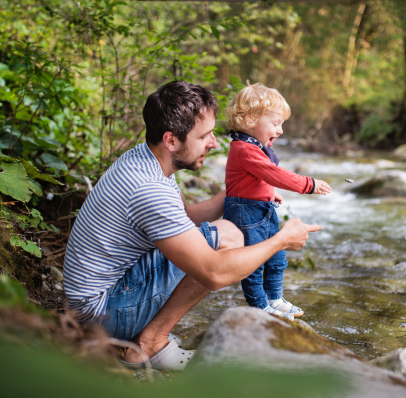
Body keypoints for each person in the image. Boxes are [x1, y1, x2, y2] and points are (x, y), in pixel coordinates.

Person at [63, 80, 321, 371]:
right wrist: (281, 240)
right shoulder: (149, 189)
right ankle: (150, 344)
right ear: (171, 140)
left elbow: (183, 215)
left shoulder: (147, 158)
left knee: (221, 233)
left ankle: (147, 335)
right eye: (204, 136)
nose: (213, 143)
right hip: (101, 317)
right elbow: (213, 273)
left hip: (96, 301)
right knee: (230, 237)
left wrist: (238, 193)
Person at [223, 83, 332, 321]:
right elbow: (272, 173)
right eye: (275, 123)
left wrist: (269, 192)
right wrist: (308, 184)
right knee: (253, 262)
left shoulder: (254, 147)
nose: (280, 130)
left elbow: (260, 176)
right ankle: (259, 306)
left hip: (261, 208)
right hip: (245, 212)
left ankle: (274, 298)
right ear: (251, 120)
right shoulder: (243, 149)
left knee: (277, 256)